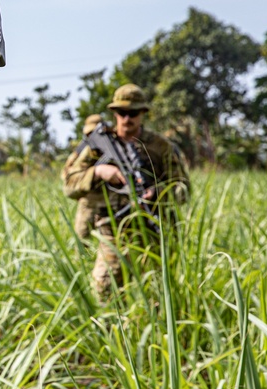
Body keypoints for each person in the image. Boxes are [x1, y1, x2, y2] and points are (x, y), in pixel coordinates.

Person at [61, 83, 188, 300]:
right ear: (114, 113)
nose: (127, 119)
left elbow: (183, 188)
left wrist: (158, 192)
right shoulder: (96, 145)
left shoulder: (161, 147)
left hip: (153, 227)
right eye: (122, 113)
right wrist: (99, 171)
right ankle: (110, 330)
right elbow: (69, 185)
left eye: (133, 113)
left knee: (159, 291)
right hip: (112, 227)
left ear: (143, 114)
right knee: (104, 287)